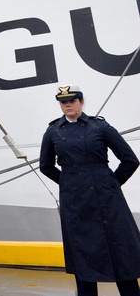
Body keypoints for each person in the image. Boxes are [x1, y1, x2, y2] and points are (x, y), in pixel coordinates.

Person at [39, 86, 140, 296]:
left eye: (72, 100)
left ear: (81, 102)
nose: (67, 105)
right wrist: (67, 183)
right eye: (63, 101)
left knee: (120, 249)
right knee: (82, 254)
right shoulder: (53, 131)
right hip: (75, 202)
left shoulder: (100, 127)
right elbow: (46, 166)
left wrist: (111, 184)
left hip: (108, 199)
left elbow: (130, 160)